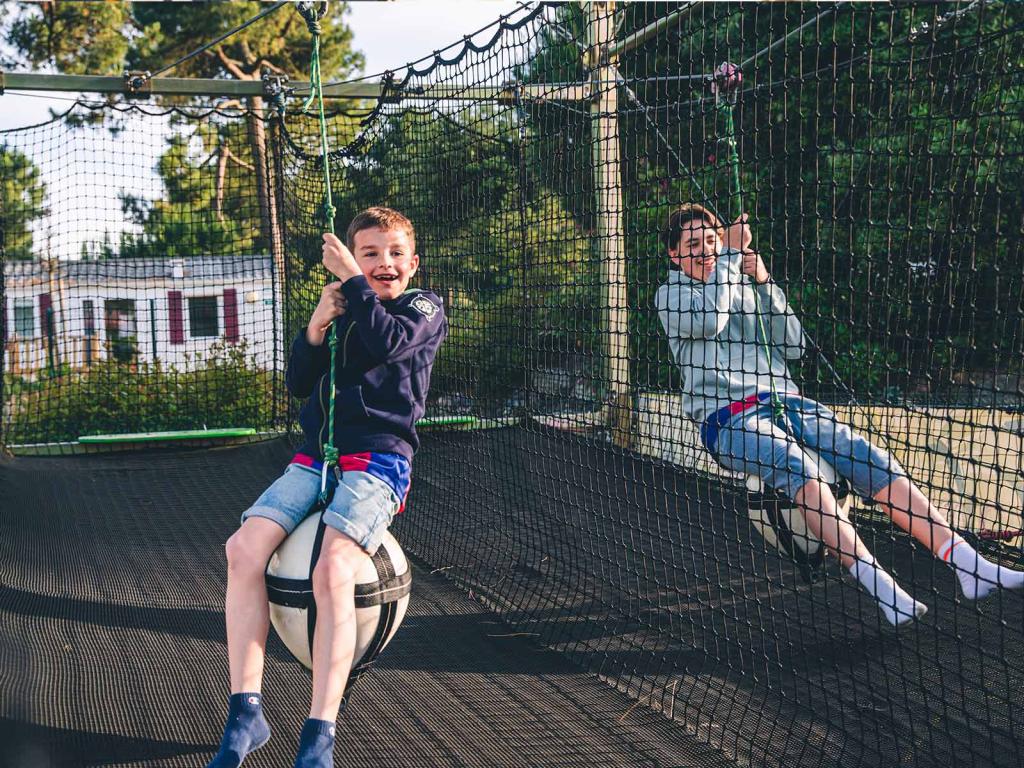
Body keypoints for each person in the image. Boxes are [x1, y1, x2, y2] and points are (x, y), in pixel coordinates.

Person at [654, 203, 1024, 626]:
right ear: (675, 255)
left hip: (787, 402)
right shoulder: (672, 295)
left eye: (712, 240)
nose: (705, 250)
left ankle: (968, 563)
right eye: (693, 244)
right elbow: (711, 320)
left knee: (867, 456)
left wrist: (763, 282)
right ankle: (882, 588)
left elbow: (792, 345)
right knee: (795, 466)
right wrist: (732, 260)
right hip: (728, 419)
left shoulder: (738, 282)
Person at [207, 207, 447, 768]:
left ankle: (320, 732)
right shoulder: (349, 309)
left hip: (378, 463)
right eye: (369, 254)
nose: (383, 264)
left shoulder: (423, 308)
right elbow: (298, 382)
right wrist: (316, 325)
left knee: (332, 570)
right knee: (241, 550)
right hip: (317, 459)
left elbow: (388, 344)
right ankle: (246, 710)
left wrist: (354, 282)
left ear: (413, 263)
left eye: (393, 254)